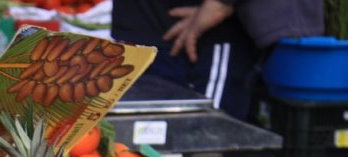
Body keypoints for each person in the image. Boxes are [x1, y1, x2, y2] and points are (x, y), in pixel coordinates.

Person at [112, 0, 323, 120]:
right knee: (138, 144)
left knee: (205, 148)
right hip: (139, 32)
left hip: (206, 37)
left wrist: (220, 3)